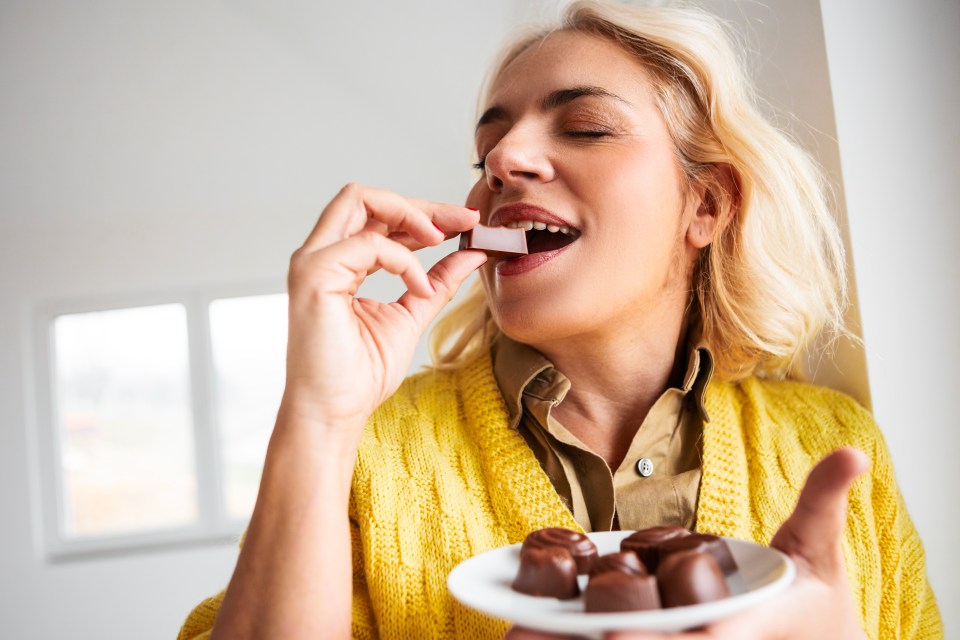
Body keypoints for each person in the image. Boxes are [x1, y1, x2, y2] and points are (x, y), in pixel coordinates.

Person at [178, 2, 941, 638]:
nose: (505, 158)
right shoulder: (364, 452)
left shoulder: (833, 447)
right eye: (486, 152)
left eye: (584, 127)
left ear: (704, 204)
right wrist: (318, 415)